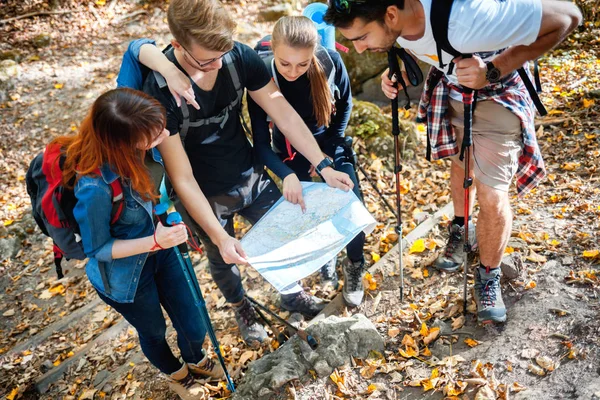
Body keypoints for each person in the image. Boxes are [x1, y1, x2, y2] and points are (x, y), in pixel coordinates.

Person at [323, 0, 582, 323]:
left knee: (491, 193)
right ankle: (460, 229)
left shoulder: (467, 19)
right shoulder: (395, 23)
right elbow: (420, 46)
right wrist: (401, 75)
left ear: (390, 14)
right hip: (453, 92)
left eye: (361, 38)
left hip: (499, 96)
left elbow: (568, 17)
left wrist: (494, 69)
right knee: (461, 166)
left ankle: (488, 276)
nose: (359, 50)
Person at [119, 0, 355, 346]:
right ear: (178, 46)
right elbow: (180, 176)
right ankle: (241, 306)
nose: (217, 64)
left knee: (284, 230)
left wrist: (323, 164)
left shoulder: (238, 57)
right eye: (206, 60)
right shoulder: (160, 91)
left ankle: (290, 293)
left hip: (249, 173)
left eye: (222, 53)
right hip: (202, 194)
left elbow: (284, 114)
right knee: (222, 257)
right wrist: (218, 236)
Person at [60, 88, 234, 399]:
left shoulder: (143, 146)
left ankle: (195, 359)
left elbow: (156, 196)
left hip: (162, 250)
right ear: (124, 143)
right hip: (125, 275)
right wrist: (154, 241)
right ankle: (178, 375)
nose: (165, 134)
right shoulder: (95, 186)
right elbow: (97, 249)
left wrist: (168, 219)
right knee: (154, 331)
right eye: (155, 134)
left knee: (193, 321)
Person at [247, 16, 367, 307]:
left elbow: (345, 104)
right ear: (273, 52)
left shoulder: (329, 61)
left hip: (329, 140)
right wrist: (285, 174)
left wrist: (330, 150)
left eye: (302, 64)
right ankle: (326, 254)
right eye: (285, 63)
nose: (293, 72)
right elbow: (260, 144)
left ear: (313, 53)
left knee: (352, 202)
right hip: (288, 152)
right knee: (306, 212)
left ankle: (354, 264)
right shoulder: (261, 74)